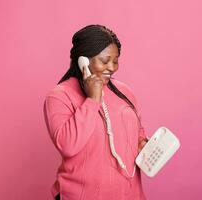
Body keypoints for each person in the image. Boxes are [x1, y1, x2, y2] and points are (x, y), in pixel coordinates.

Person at [43, 24, 149, 200]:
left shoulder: (125, 92)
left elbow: (138, 133)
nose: (112, 68)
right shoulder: (59, 96)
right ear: (82, 60)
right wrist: (92, 99)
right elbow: (68, 146)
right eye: (105, 60)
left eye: (115, 61)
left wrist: (143, 145)